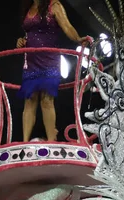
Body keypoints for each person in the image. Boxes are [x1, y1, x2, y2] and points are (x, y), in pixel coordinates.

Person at [16, 0, 88, 142]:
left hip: (49, 60)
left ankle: (51, 141)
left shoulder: (53, 5)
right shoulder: (28, 7)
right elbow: (29, 33)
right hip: (31, 62)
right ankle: (24, 142)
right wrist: (20, 41)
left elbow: (67, 27)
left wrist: (78, 39)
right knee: (29, 100)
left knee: (47, 100)